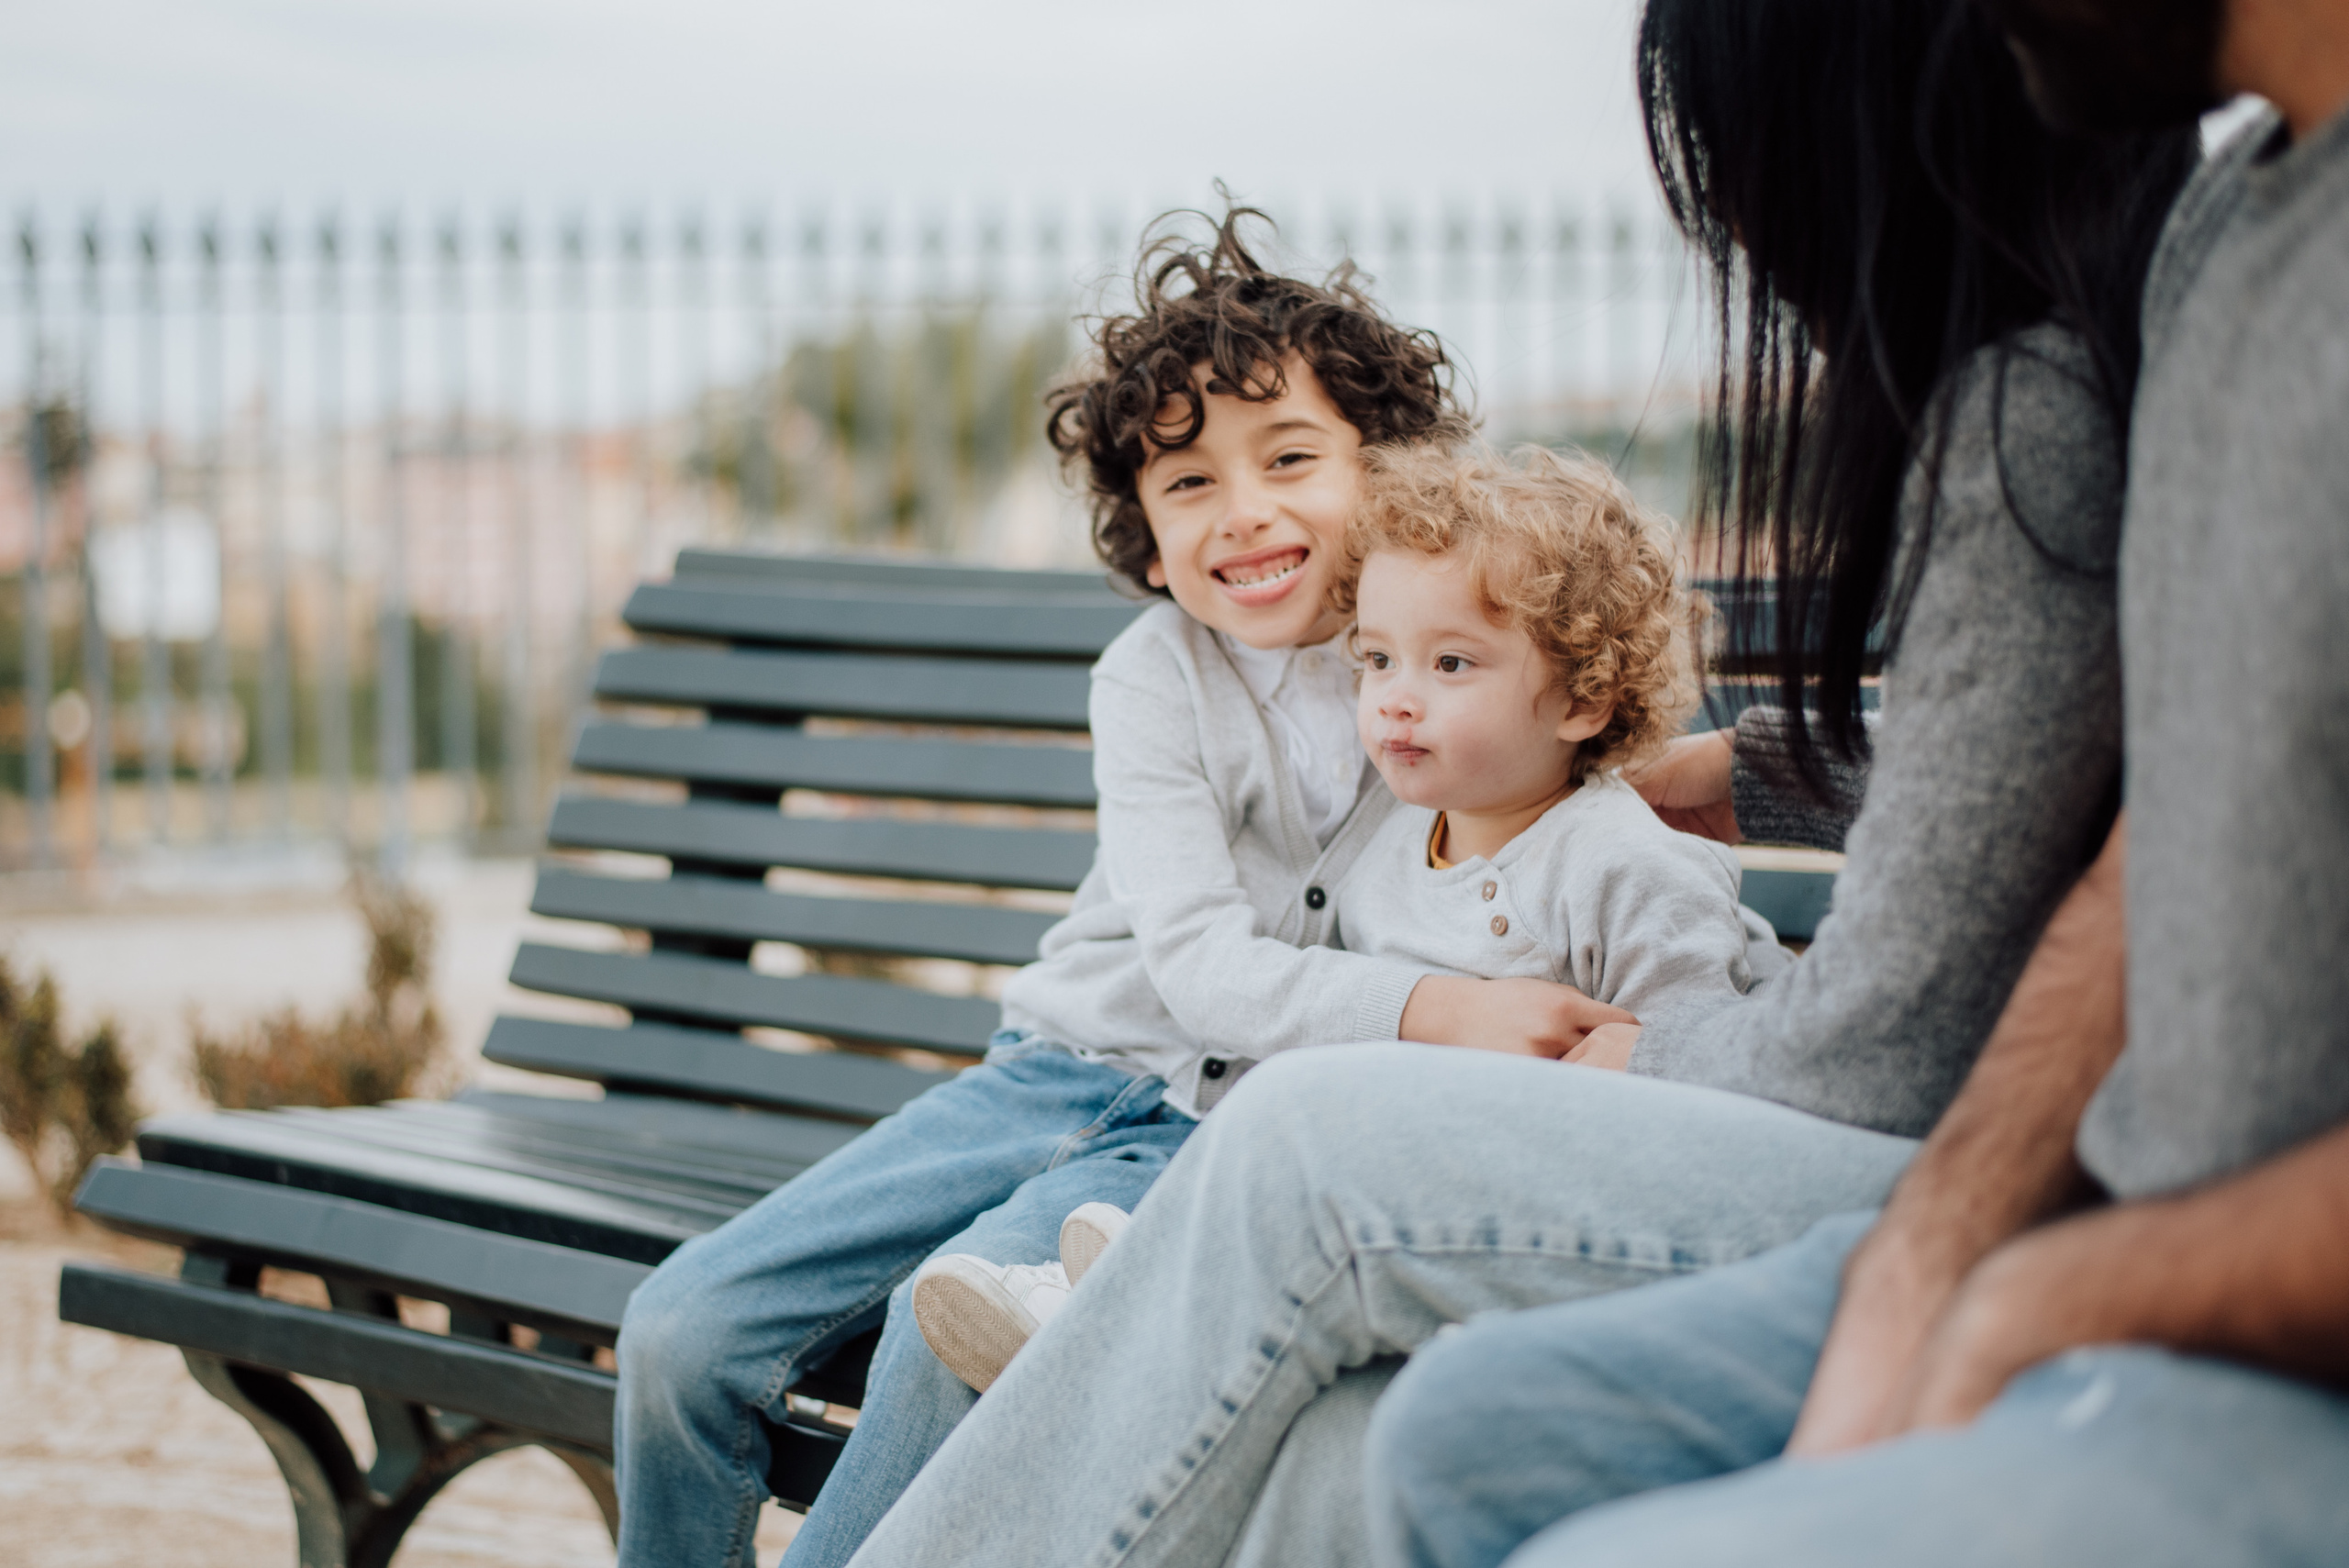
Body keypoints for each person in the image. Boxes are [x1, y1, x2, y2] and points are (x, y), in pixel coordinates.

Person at [838, 1, 2195, 1562]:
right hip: (1977, 1130)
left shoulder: (2035, 409)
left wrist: (1627, 1043)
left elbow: (1888, 1035)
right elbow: (2047, 765)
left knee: (1303, 1146)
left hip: (1966, 1150)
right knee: (1355, 1444)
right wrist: (1748, 773)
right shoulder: (2079, 361)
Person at [1364, 0, 2349, 1562]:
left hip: (2228, 1334)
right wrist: (1936, 1259)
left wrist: (2050, 1286)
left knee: (1332, 1173)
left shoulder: (2047, 396)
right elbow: (2157, 831)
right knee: (1453, 1436)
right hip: (2099, 1243)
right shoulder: (2239, 232)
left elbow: (1890, 1027)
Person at [610, 211, 1653, 1568]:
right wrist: (1443, 1009)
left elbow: (1591, 762)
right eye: (1190, 485)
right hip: (1048, 1075)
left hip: (1207, 1137)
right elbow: (1200, 971)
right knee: (681, 1334)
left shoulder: (1447, 669)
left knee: (955, 1327)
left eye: (1291, 458)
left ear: (1390, 478)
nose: (1247, 512)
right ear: (1151, 541)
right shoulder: (1154, 674)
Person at [911, 442, 1772, 1392]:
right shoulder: (1396, 845)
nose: (1395, 697)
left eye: (1450, 662)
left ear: (1581, 698)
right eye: (1375, 658)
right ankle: (1125, 1288)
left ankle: (1130, 1299)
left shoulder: (1626, 861)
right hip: (1383, 1184)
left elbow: (1694, 1069)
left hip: (1516, 1216)